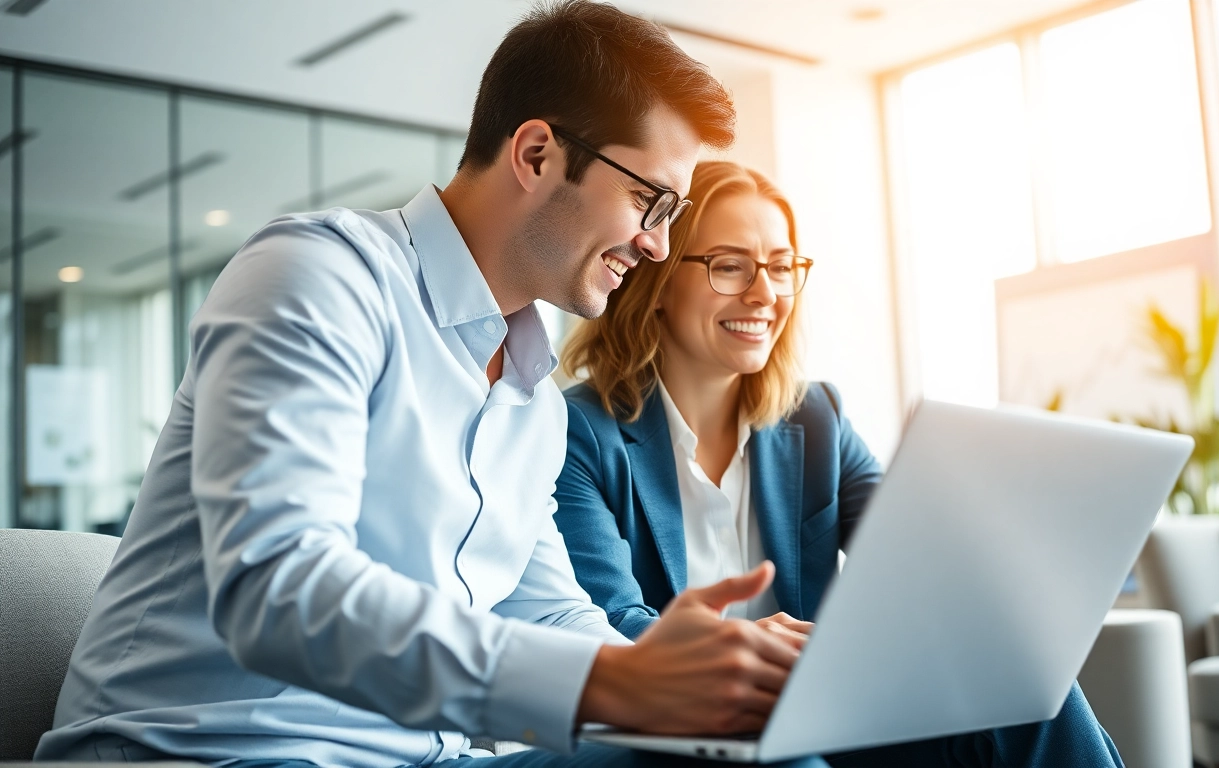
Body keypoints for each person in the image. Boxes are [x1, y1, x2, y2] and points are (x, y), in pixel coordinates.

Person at [36, 5, 826, 767]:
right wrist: (619, 683)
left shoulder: (533, 401)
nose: (657, 245)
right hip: (212, 748)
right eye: (649, 200)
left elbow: (546, 609)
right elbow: (278, 587)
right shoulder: (317, 278)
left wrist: (698, 685)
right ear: (537, 154)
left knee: (751, 753)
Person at [554, 160, 1127, 767]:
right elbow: (610, 629)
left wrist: (993, 559)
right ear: (659, 280)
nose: (765, 293)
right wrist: (745, 649)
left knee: (1032, 693)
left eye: (780, 267)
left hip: (820, 714)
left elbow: (908, 563)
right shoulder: (582, 432)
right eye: (730, 266)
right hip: (680, 727)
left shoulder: (815, 418)